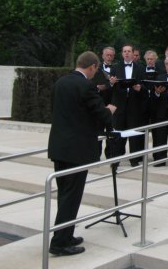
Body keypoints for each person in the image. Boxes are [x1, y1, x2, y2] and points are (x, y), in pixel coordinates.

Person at [47, 51, 116, 256]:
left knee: (65, 195)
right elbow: (101, 114)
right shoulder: (86, 86)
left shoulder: (60, 83)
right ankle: (59, 243)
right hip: (76, 150)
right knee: (71, 196)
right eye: (96, 69)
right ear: (93, 66)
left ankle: (66, 234)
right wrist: (110, 109)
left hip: (59, 148)